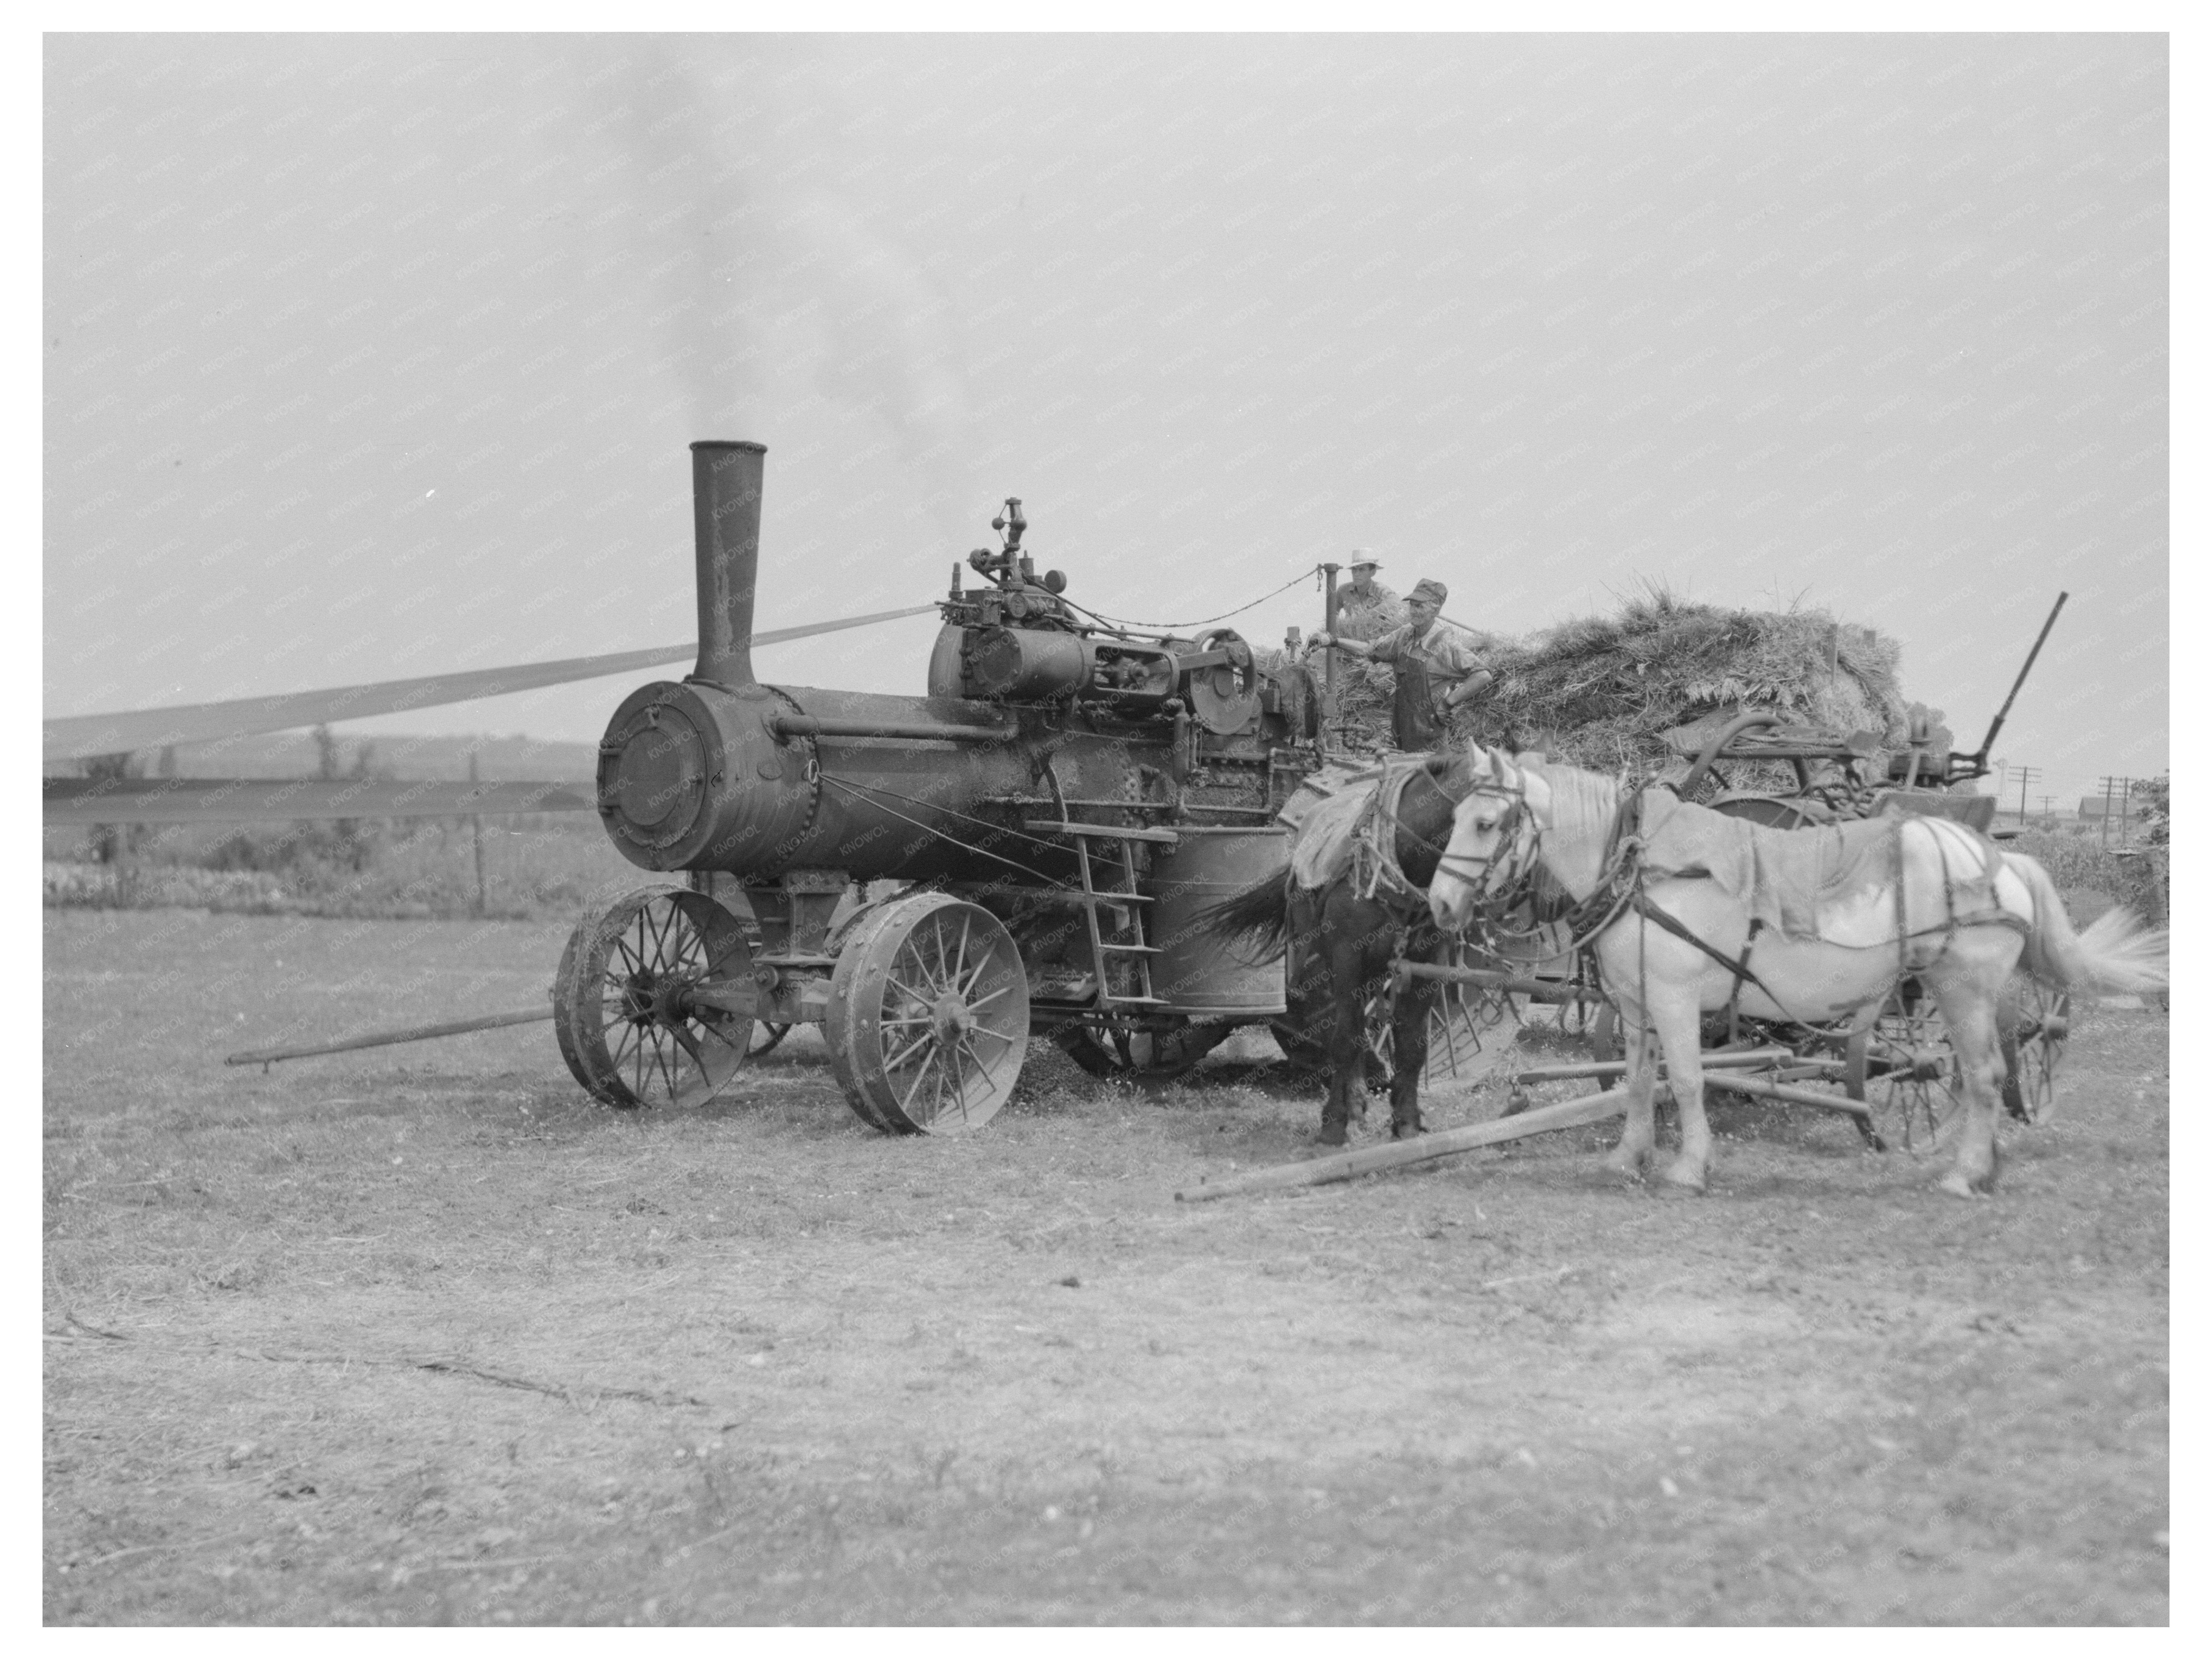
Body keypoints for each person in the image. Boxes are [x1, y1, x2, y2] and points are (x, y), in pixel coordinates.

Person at [1309, 577, 1493, 751]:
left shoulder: (1445, 644)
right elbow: (1371, 650)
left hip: (1429, 737)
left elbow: (1483, 675)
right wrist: (1333, 641)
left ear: (1436, 611)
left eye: (1420, 606)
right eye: (1412, 605)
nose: (1414, 611)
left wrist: (1448, 702)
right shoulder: (1404, 635)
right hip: (1401, 729)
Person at [1334, 554, 1402, 643]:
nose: (1356, 574)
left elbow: (1395, 602)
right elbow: (1332, 615)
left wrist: (1366, 616)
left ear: (1373, 572)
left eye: (1362, 570)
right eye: (1354, 569)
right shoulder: (1343, 591)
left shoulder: (1380, 590)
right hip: (1350, 640)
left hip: (1377, 641)